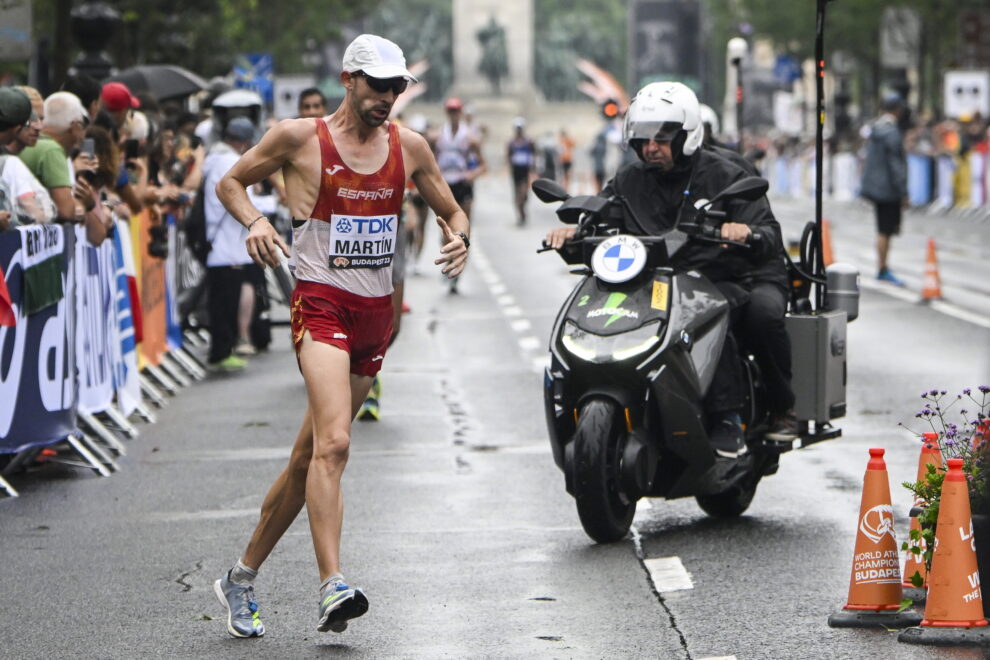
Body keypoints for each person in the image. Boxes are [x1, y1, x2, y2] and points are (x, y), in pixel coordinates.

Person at [213, 33, 470, 638]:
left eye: (397, 87)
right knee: (335, 446)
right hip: (321, 305)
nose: (388, 97)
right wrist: (254, 221)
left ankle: (240, 577)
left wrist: (460, 236)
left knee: (309, 457)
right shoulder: (298, 138)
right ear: (349, 80)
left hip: (374, 316)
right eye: (378, 85)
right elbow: (230, 182)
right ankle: (333, 585)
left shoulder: (410, 148)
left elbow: (451, 210)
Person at [545, 81, 786, 458]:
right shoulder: (630, 179)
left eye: (661, 139)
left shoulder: (727, 174)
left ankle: (737, 414)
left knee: (731, 313)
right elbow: (603, 210)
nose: (650, 148)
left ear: (687, 136)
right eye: (642, 140)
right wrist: (574, 232)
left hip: (725, 272)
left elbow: (768, 233)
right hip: (657, 278)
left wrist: (744, 231)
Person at [201, 116, 266, 369]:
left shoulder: (213, 159)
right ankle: (222, 351)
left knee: (220, 300)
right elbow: (244, 200)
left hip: (219, 244)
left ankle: (222, 350)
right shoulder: (229, 162)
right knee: (226, 303)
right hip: (227, 245)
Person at [18, 92, 108, 245]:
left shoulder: (33, 147)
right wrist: (85, 204)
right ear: (75, 126)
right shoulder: (51, 150)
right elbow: (67, 211)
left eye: (40, 119)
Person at [433, 96, 485, 292]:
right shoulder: (438, 136)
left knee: (462, 231)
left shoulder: (470, 137)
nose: (453, 114)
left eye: (456, 111)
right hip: (445, 185)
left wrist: (471, 175)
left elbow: (483, 165)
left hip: (463, 184)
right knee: (444, 229)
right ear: (447, 112)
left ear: (460, 112)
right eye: (450, 110)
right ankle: (449, 262)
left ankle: (458, 271)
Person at [860, 92, 908, 286]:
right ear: (897, 109)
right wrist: (903, 191)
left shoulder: (876, 128)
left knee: (882, 228)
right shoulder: (892, 132)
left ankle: (882, 266)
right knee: (886, 229)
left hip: (876, 188)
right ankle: (882, 268)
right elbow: (896, 164)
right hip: (889, 189)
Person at [506, 117, 535, 226]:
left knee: (524, 192)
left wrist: (534, 168)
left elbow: (535, 153)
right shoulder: (512, 142)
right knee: (517, 193)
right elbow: (508, 155)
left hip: (525, 170)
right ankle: (520, 213)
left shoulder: (529, 141)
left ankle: (522, 207)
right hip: (516, 170)